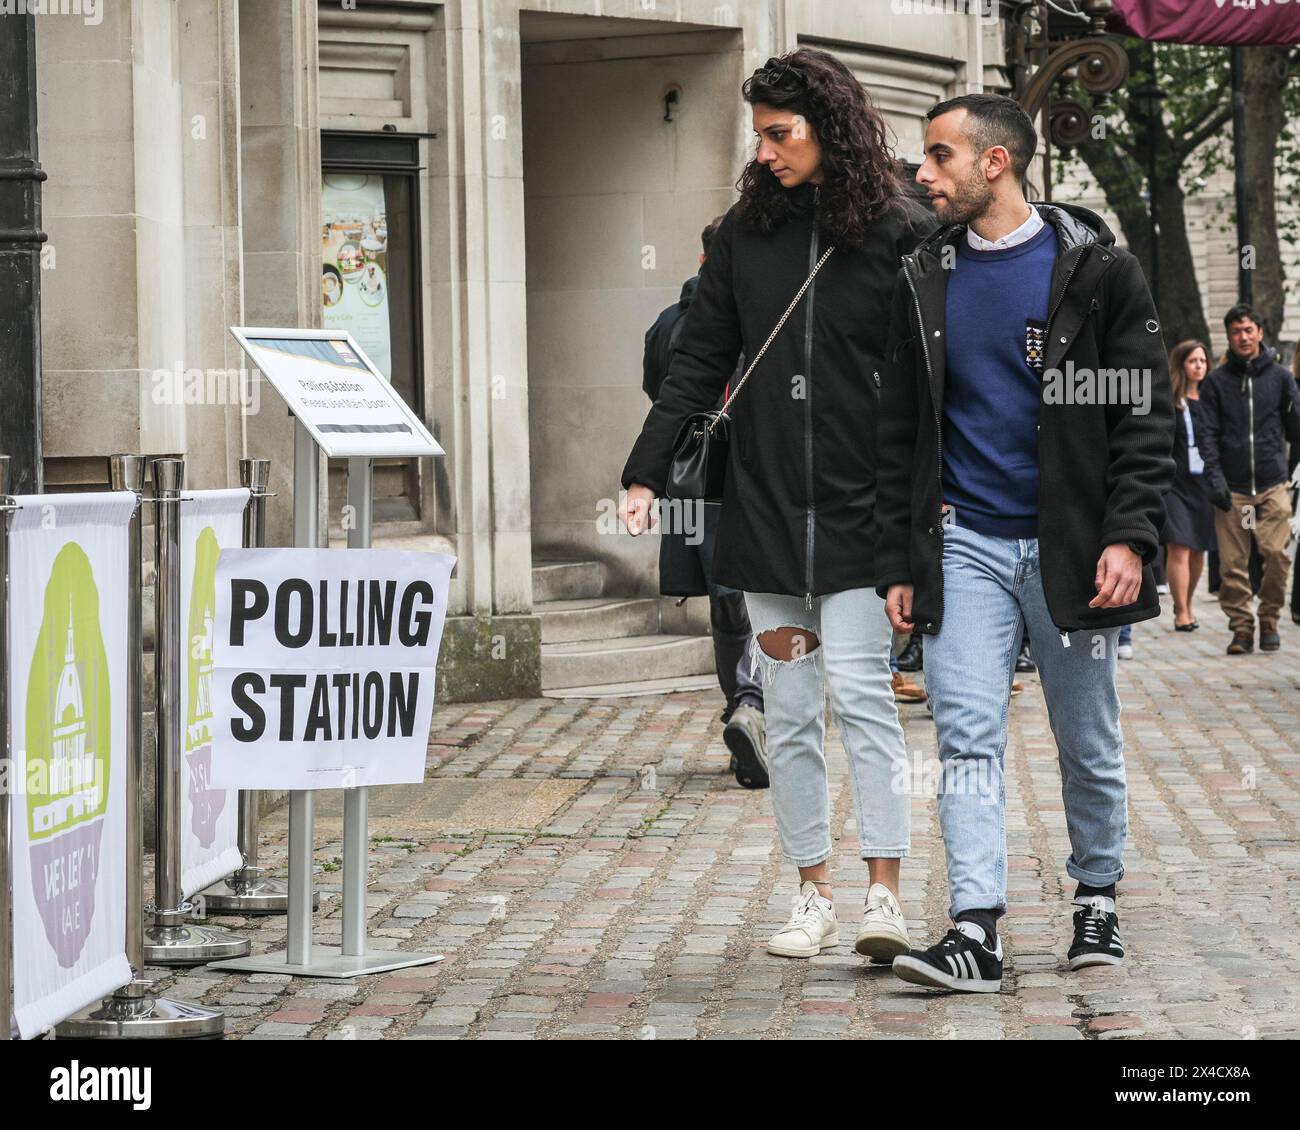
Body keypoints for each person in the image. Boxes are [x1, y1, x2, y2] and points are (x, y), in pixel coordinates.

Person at [620, 47, 935, 963]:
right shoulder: (742, 238)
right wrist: (645, 474)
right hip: (762, 521)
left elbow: (928, 384)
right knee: (791, 715)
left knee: (868, 707)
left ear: (830, 130)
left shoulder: (899, 234)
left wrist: (926, 510)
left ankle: (884, 897)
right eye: (757, 136)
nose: (765, 153)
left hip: (860, 522)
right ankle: (812, 896)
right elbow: (696, 361)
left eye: (781, 134)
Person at [875, 93, 1174, 993]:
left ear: (994, 164)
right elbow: (900, 428)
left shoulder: (1098, 271)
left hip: (1073, 547)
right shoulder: (923, 273)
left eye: (939, 157)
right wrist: (899, 556)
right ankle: (976, 927)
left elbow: (1142, 414)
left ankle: (1097, 898)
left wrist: (1128, 535)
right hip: (963, 542)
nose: (923, 175)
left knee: (1086, 732)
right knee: (966, 738)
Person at [642, 216, 769, 789]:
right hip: (754, 476)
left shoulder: (664, 325)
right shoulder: (762, 317)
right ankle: (754, 703)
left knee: (725, 605)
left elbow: (661, 396)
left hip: (694, 483)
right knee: (765, 598)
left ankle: (743, 703)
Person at [1197, 303, 1300, 654]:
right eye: (1236, 331)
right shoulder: (1216, 382)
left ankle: (1270, 617)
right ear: (1229, 336)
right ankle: (1241, 627)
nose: (1242, 337)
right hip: (1234, 489)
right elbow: (1207, 434)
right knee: (1233, 564)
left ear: (1259, 332)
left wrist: (1293, 473)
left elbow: (1296, 428)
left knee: (1276, 554)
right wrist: (1216, 479)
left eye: (1248, 330)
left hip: (1273, 483)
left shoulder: (1281, 378)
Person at [1162, 340, 1216, 630]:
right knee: (1180, 546)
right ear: (1181, 364)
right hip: (1175, 483)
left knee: (1198, 549)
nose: (1199, 366)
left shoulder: (1210, 400)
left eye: (1203, 361)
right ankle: (1181, 611)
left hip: (1204, 484)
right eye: (1193, 360)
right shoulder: (1169, 400)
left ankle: (1188, 602)